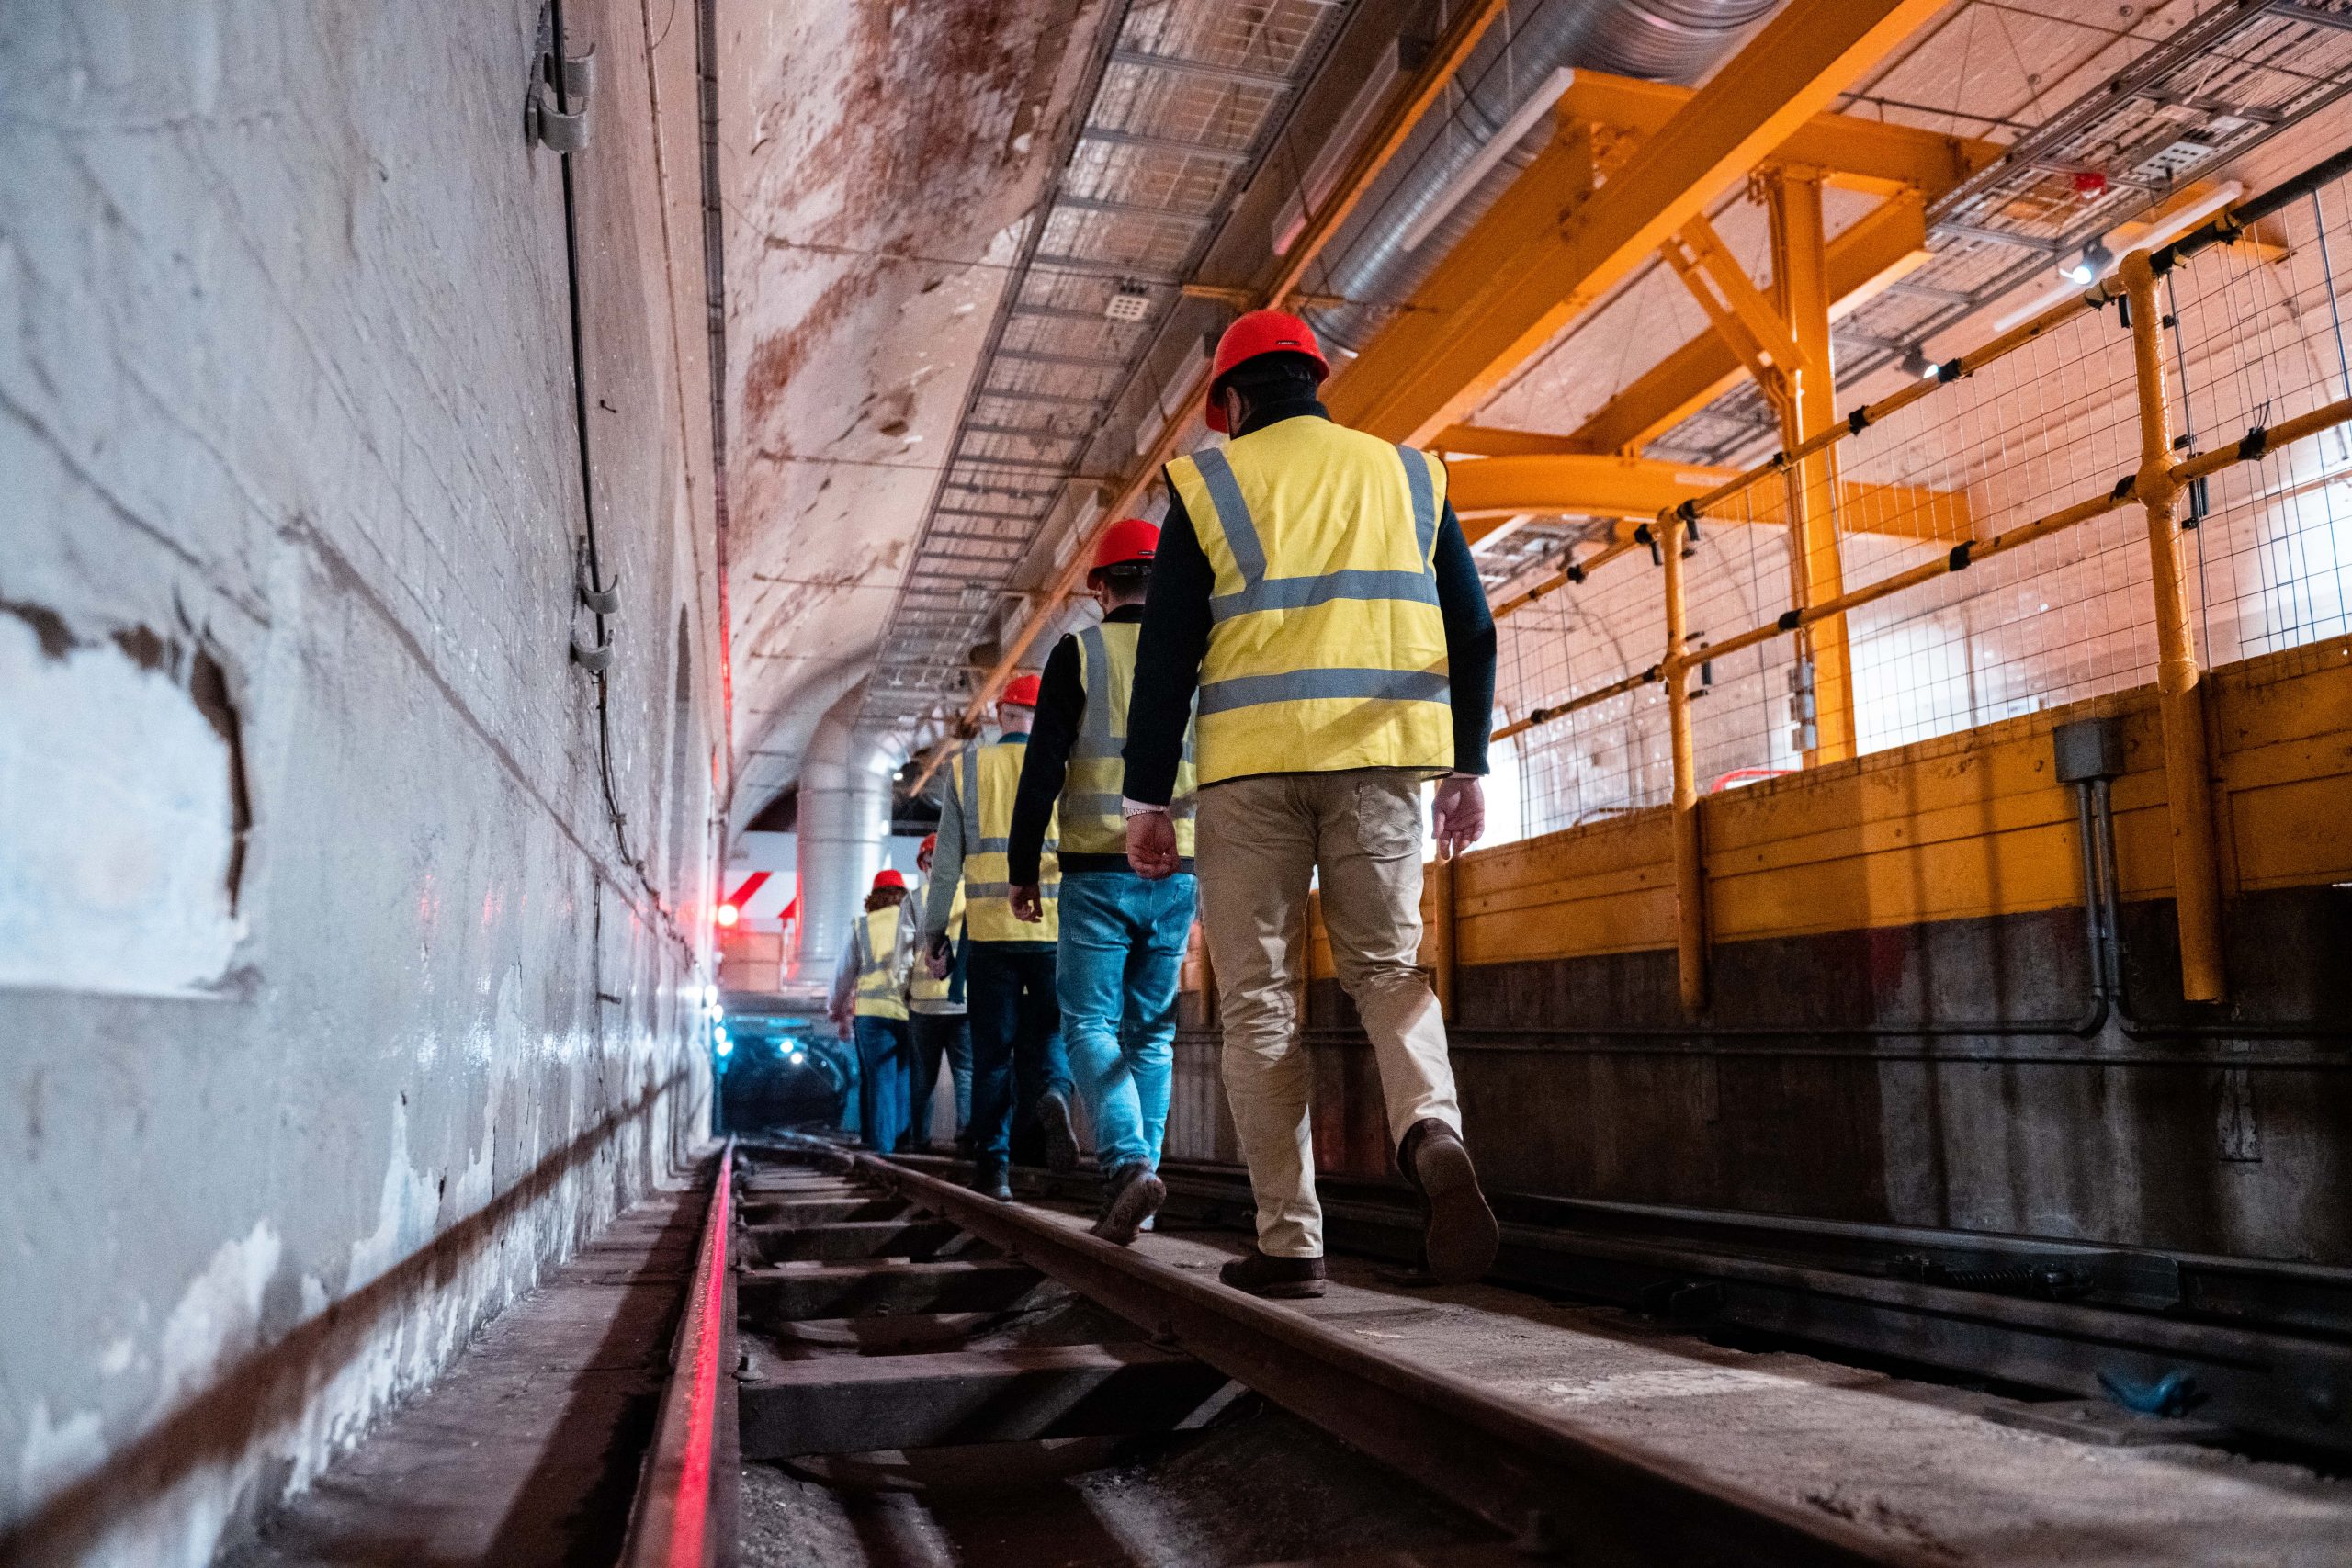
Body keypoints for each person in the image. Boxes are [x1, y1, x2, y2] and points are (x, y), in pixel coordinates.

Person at [1120, 309, 1501, 1299]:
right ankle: (1430, 1129)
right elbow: (1473, 626)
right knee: (1386, 970)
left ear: (1231, 401)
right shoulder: (1411, 475)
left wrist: (1145, 801)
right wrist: (1466, 767)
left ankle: (1289, 1243)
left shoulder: (1207, 484)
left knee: (1259, 1005)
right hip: (1381, 764)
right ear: (1315, 380)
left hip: (1249, 775)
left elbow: (1166, 657)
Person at [1008, 519, 1198, 1244]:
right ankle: (1142, 1181)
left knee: (1087, 1023)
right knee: (1151, 1035)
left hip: (1096, 871)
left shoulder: (1079, 653)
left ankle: (1124, 1165)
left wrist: (1023, 867)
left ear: (1099, 584)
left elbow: (1043, 768)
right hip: (1180, 870)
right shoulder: (1195, 654)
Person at [922, 674, 1075, 1200]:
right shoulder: (1064, 766)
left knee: (992, 1058)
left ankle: (995, 1171)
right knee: (1050, 1038)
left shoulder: (967, 768)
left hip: (989, 938)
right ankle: (1054, 1093)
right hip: (1054, 931)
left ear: (1000, 715)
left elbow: (944, 869)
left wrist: (934, 935)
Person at [830, 868, 917, 1154]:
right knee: (904, 1077)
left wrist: (835, 1008)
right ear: (903, 896)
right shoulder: (914, 923)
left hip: (872, 1014)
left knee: (880, 1080)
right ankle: (904, 1147)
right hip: (908, 1011)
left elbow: (843, 974)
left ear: (874, 897)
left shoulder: (862, 925)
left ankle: (883, 1152)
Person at [903, 831, 972, 1150]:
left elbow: (902, 954)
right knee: (966, 1072)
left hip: (924, 1005)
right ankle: (966, 1135)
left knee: (923, 1077)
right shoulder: (972, 895)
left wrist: (905, 990)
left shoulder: (916, 899)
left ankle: (920, 1139)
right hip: (964, 1002)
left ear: (924, 864)